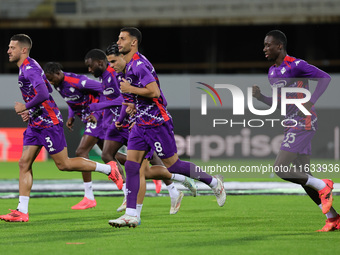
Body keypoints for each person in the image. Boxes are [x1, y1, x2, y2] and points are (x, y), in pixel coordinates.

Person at [108, 27, 226, 228]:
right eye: (118, 38)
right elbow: (134, 98)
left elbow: (154, 92)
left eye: (122, 38)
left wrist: (130, 90)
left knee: (174, 165)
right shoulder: (127, 69)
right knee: (131, 165)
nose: (119, 42)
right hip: (140, 124)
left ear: (133, 42)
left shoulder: (138, 65)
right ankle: (132, 215)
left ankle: (214, 183)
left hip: (156, 122)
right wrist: (129, 109)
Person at [0, 34, 122, 222]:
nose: (8, 50)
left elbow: (42, 92)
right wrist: (30, 111)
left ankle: (108, 170)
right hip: (36, 122)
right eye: (8, 47)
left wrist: (25, 106)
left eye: (12, 47)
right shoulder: (28, 67)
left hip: (48, 122)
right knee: (24, 163)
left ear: (23, 50)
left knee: (63, 164)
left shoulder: (30, 68)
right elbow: (47, 91)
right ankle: (21, 211)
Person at [84, 48, 197, 218]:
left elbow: (125, 99)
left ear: (101, 62)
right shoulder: (107, 77)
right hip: (118, 124)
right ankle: (130, 196)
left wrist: (101, 108)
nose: (89, 70)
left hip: (137, 123)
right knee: (109, 155)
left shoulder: (118, 73)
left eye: (91, 66)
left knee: (144, 169)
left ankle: (173, 186)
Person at [253, 30, 338, 232]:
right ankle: (333, 218)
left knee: (281, 168)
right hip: (290, 122)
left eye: (268, 45)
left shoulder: (296, 65)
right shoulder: (273, 72)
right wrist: (261, 98)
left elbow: (325, 78)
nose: (264, 49)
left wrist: (311, 101)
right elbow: (281, 101)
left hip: (303, 121)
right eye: (264, 45)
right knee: (303, 176)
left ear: (279, 46)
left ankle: (323, 185)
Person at [43, 62, 124, 210]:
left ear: (58, 73)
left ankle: (89, 197)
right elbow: (71, 100)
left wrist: (97, 112)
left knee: (81, 152)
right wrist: (71, 116)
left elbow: (104, 91)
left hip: (98, 118)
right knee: (111, 155)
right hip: (89, 118)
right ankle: (141, 164)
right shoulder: (59, 84)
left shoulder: (78, 81)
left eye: (51, 79)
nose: (51, 82)